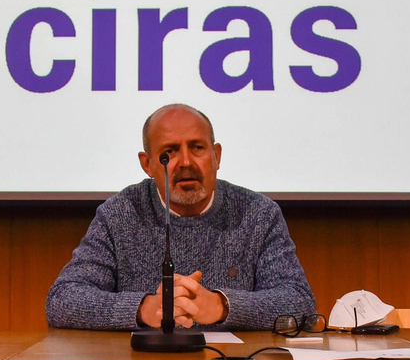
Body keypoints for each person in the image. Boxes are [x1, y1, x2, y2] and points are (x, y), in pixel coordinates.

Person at [46, 103, 316, 330]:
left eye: (197, 147)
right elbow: (62, 300)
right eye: (170, 152)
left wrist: (223, 306)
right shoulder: (120, 213)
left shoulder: (257, 214)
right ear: (147, 164)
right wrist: (142, 308)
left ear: (216, 155)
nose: (186, 162)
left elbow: (299, 301)